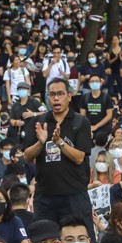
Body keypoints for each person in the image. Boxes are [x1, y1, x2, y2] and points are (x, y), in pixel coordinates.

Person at [23, 78, 94, 232]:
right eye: (52, 94)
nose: (56, 98)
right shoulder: (38, 122)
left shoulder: (81, 122)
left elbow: (79, 158)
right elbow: (27, 157)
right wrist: (40, 143)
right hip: (45, 197)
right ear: (48, 98)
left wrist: (59, 142)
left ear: (69, 96)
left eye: (60, 94)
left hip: (74, 195)